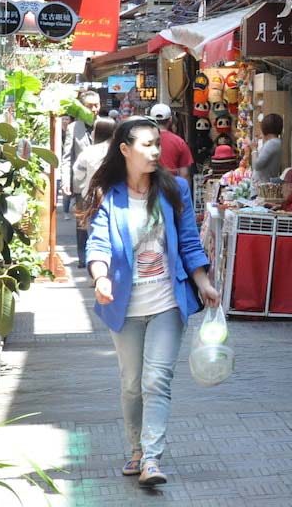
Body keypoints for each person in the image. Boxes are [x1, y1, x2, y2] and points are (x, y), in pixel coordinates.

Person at [78, 118, 221, 487]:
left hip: (167, 303)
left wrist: (203, 282)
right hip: (124, 306)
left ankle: (153, 458)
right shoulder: (109, 195)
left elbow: (189, 242)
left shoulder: (176, 190)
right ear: (125, 150)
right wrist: (101, 277)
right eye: (146, 144)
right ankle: (136, 451)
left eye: (157, 143)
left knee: (157, 379)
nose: (156, 151)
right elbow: (98, 243)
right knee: (132, 383)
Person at [72, 117, 116, 268]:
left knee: (95, 234)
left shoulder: (89, 151)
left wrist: (84, 182)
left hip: (92, 197)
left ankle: (96, 269)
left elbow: (77, 173)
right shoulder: (119, 151)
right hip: (117, 196)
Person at [63, 90, 102, 219]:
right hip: (81, 184)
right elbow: (67, 157)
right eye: (90, 106)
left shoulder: (106, 125)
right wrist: (66, 181)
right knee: (82, 223)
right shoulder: (73, 128)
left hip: (102, 183)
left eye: (97, 105)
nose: (94, 109)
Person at [149, 103, 194, 179]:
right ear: (170, 120)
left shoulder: (143, 140)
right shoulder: (179, 142)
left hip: (150, 186)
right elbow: (185, 173)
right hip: (172, 186)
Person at [250, 113, 283, 183]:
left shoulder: (272, 143)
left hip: (263, 186)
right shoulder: (275, 142)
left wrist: (254, 149)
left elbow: (257, 165)